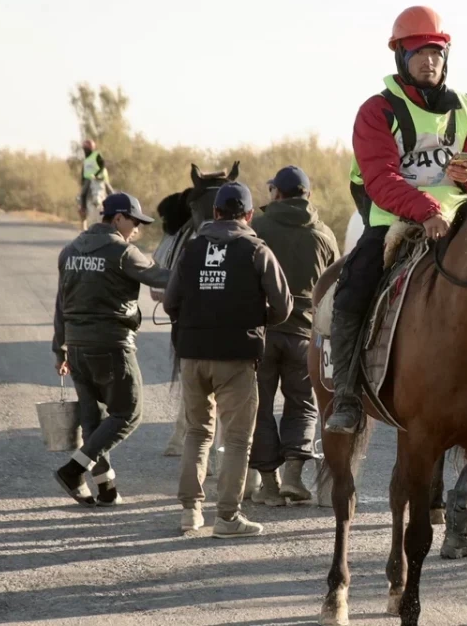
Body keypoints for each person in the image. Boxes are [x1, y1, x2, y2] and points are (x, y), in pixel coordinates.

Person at [328, 4, 467, 435]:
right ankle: (345, 396)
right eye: (418, 52)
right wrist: (427, 210)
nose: (428, 60)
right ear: (400, 56)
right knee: (355, 285)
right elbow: (381, 179)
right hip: (392, 214)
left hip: (457, 216)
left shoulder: (466, 106)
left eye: (435, 51)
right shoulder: (376, 110)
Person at [163, 182, 293, 537]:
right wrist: (257, 319)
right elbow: (283, 306)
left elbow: (170, 302)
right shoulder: (256, 250)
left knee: (197, 432)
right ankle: (227, 517)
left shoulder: (191, 249)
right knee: (236, 439)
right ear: (249, 215)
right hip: (236, 358)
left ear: (215, 213)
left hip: (192, 355)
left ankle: (190, 512)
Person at [51, 192, 170, 507]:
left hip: (76, 346)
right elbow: (161, 277)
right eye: (134, 222)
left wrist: (59, 349)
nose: (137, 230)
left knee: (93, 421)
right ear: (118, 218)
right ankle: (74, 470)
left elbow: (61, 304)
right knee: (129, 413)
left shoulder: (70, 251)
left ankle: (105, 489)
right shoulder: (123, 252)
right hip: (111, 345)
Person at [248, 166, 340, 506]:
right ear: (308, 196)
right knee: (302, 405)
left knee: (259, 406)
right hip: (307, 335)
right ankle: (294, 478)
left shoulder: (258, 228)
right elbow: (333, 288)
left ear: (277, 194)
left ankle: (268, 485)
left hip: (264, 331)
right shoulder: (326, 234)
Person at [77, 139, 110, 231]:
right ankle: (83, 211)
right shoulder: (86, 160)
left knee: (112, 194)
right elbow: (83, 173)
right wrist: (82, 182)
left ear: (90, 149)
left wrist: (96, 174)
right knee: (82, 194)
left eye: (86, 149)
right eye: (84, 149)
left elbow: (103, 164)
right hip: (89, 180)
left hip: (101, 179)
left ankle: (114, 211)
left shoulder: (96, 155)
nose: (85, 151)